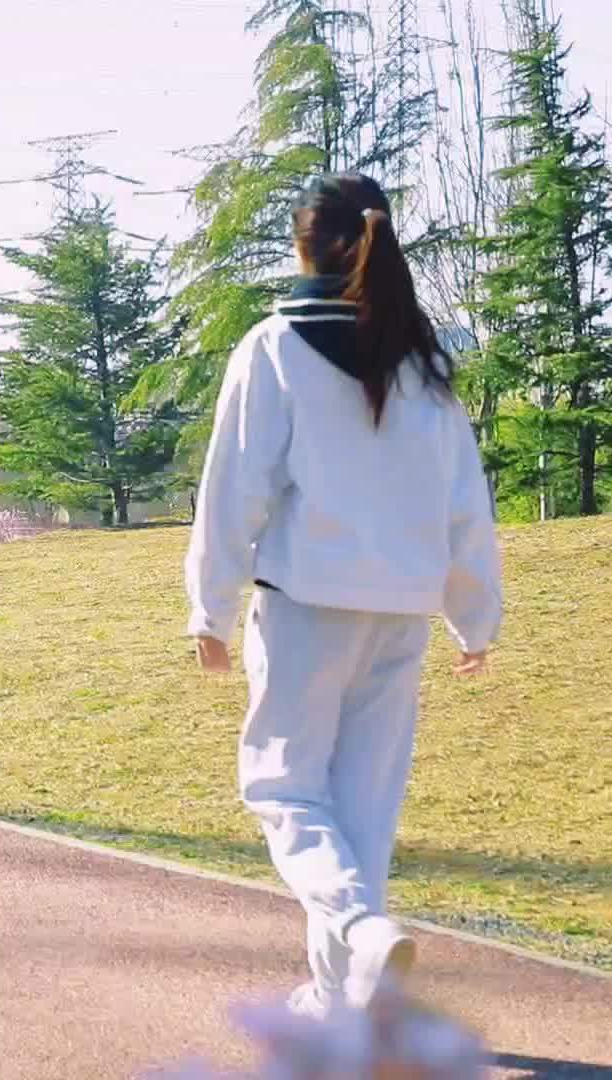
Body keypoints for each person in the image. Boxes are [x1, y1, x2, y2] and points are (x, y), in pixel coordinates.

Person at [182, 173, 504, 1018]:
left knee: (283, 787)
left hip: (304, 608)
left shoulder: (275, 347)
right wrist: (476, 617)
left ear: (303, 243)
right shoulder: (425, 360)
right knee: (365, 802)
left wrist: (208, 610)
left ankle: (359, 928)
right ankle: (338, 996)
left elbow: (234, 490)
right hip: (403, 611)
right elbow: (464, 498)